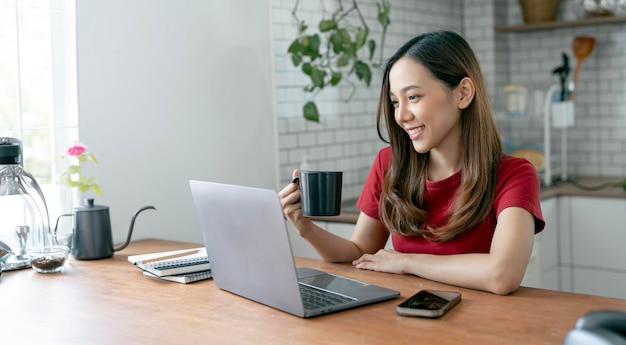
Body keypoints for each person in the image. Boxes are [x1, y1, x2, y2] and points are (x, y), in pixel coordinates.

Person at [279, 30, 545, 295]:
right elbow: (359, 252)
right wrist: (305, 228)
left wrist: (406, 260)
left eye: (413, 97)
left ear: (463, 93)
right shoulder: (389, 164)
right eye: (395, 102)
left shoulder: (514, 174)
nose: (401, 115)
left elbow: (502, 275)